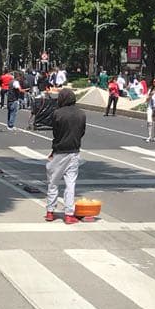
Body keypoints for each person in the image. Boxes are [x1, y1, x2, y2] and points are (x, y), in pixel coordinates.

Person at [45, 87, 87, 224]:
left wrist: (53, 150)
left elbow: (56, 134)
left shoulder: (57, 113)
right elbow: (82, 132)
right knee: (71, 184)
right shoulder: (81, 114)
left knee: (53, 182)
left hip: (59, 151)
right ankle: (69, 214)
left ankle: (50, 211)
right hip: (74, 151)